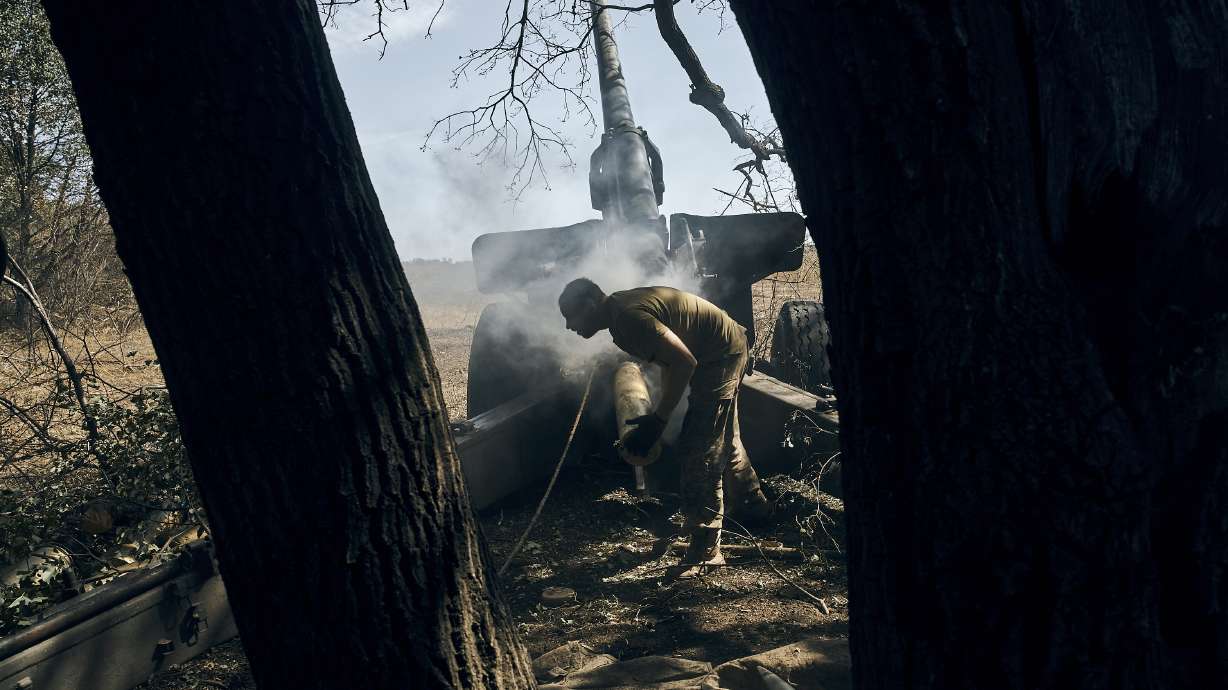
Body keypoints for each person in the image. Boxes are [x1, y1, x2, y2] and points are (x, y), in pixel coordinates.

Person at [558, 278, 771, 577]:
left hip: (720, 355)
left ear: (590, 304)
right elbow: (671, 363)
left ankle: (707, 550)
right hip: (724, 346)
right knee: (720, 435)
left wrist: (658, 420)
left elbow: (684, 361)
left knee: (699, 449)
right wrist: (659, 416)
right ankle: (752, 504)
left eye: (571, 315)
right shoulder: (619, 313)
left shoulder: (627, 319)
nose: (569, 326)